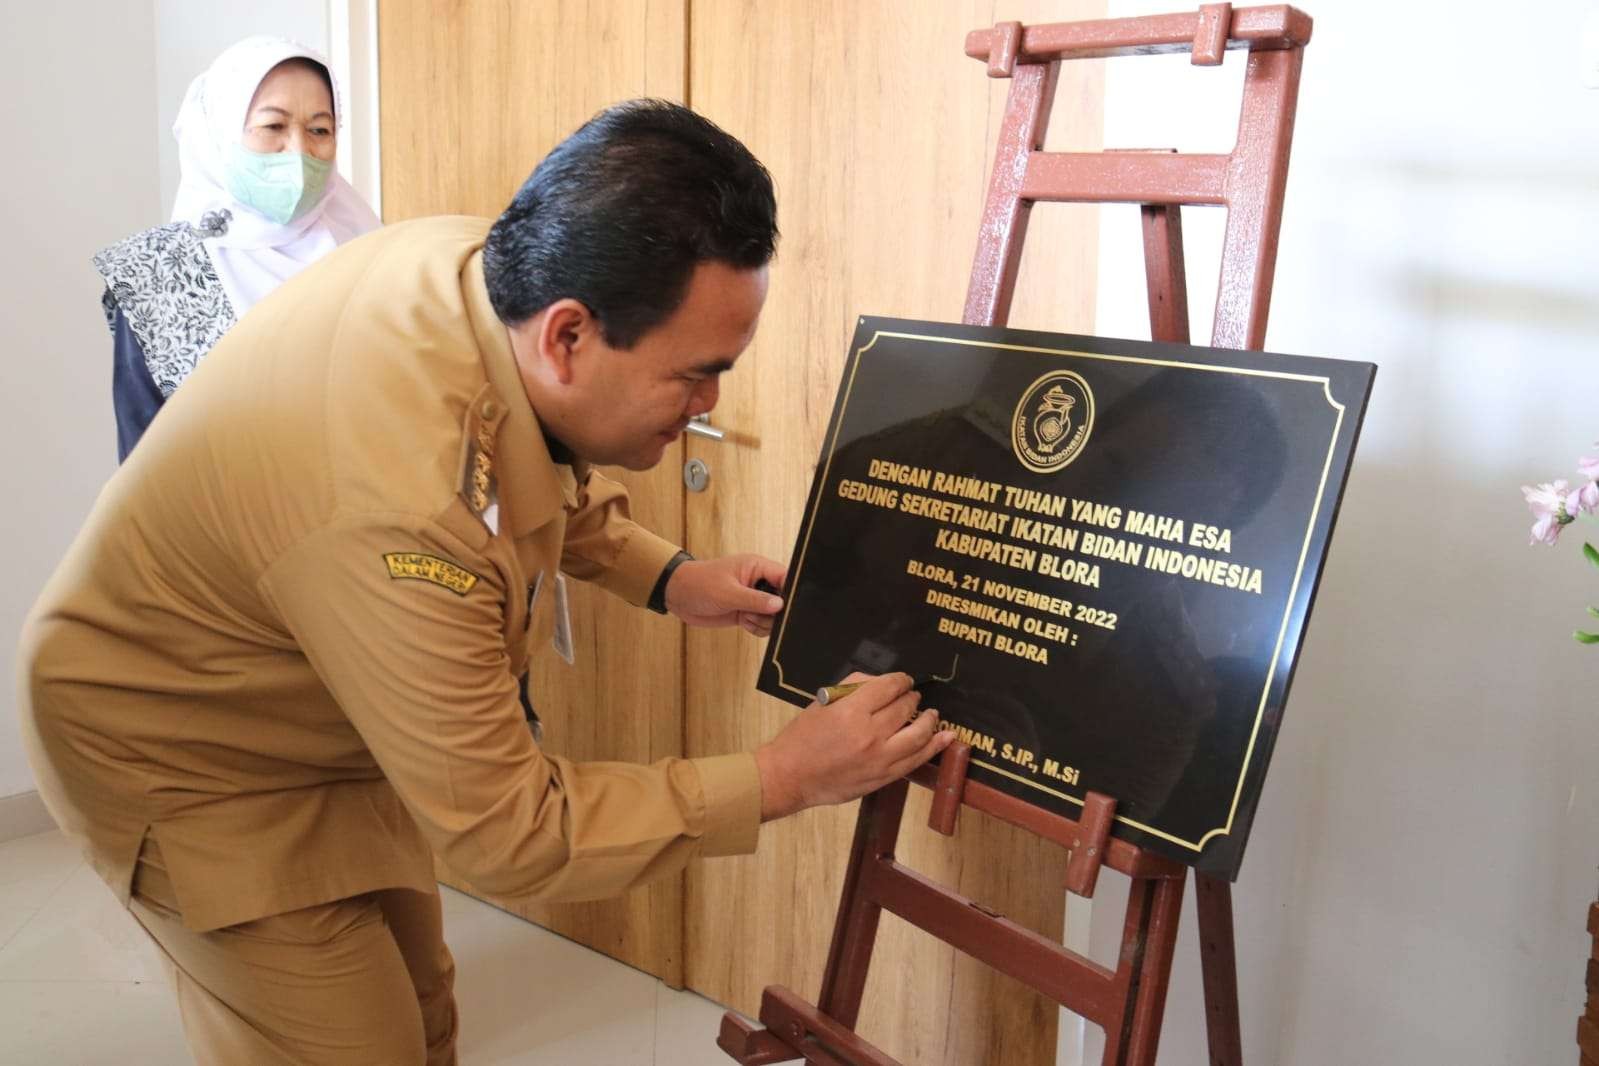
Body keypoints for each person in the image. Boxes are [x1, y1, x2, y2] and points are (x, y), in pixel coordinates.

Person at [20, 99, 951, 1065]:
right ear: (568, 337)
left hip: (308, 699)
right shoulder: (395, 503)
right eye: (694, 376)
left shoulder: (481, 272)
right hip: (178, 744)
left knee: (422, 1017)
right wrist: (781, 777)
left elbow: (518, 455)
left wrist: (671, 577)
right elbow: (512, 834)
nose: (709, 405)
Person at [94, 35, 380, 461]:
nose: (299, 151)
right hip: (217, 523)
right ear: (221, 133)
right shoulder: (159, 274)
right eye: (273, 126)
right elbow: (142, 466)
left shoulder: (371, 254)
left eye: (320, 129)